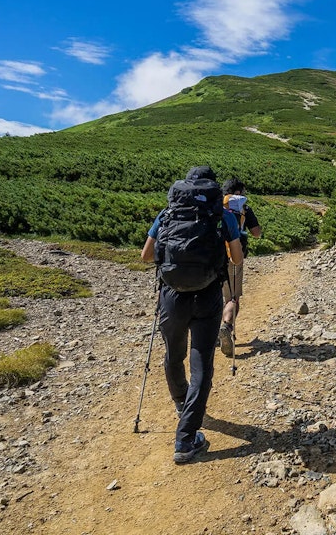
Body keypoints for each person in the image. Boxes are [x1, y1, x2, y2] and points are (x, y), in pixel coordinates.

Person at [141, 166, 243, 464]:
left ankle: (180, 403)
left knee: (174, 356)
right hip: (208, 295)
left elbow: (146, 256)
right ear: (212, 186)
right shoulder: (221, 215)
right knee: (202, 365)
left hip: (171, 296)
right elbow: (236, 259)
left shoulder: (168, 213)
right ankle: (186, 439)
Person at [218, 177, 262, 358]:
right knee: (233, 298)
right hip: (234, 258)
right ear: (237, 192)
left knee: (215, 296)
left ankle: (210, 334)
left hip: (211, 257)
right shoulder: (243, 208)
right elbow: (257, 233)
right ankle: (226, 326)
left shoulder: (215, 205)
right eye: (242, 192)